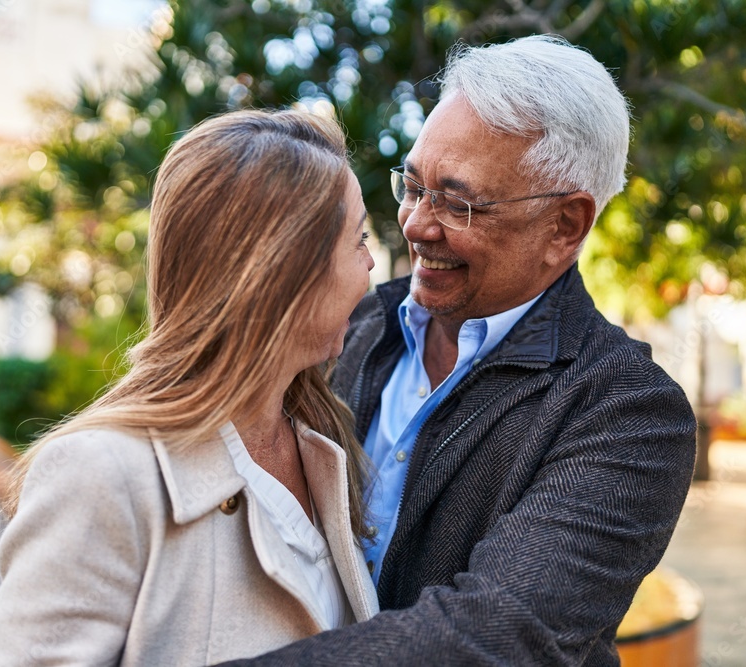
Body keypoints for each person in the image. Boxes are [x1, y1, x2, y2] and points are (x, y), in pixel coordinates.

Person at [221, 35, 697, 666]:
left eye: (459, 202)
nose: (416, 223)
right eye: (412, 186)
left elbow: (492, 636)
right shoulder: (353, 323)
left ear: (565, 226)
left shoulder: (627, 412)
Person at [0, 109, 379, 666]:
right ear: (288, 273)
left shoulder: (323, 446)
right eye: (357, 240)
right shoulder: (101, 476)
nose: (371, 265)